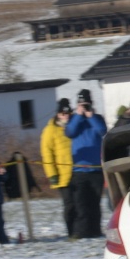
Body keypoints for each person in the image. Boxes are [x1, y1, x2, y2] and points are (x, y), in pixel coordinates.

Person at [65, 88, 108, 238]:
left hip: (96, 170)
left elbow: (103, 131)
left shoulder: (97, 118)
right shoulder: (74, 119)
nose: (84, 106)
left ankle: (95, 231)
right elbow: (69, 132)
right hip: (79, 171)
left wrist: (91, 116)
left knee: (95, 203)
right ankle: (80, 232)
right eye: (81, 104)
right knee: (80, 203)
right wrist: (78, 115)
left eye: (86, 104)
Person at [40, 98, 76, 238]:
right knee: (69, 205)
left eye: (68, 113)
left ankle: (81, 230)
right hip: (63, 175)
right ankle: (71, 231)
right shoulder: (50, 130)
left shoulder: (75, 126)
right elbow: (47, 154)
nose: (65, 116)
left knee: (81, 203)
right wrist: (52, 175)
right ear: (57, 114)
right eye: (62, 113)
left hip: (78, 171)